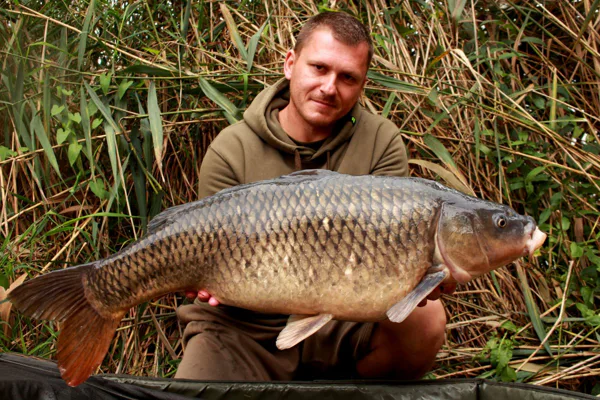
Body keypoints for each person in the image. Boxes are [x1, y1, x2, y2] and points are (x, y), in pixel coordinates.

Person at [175, 11, 452, 381]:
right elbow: (207, 252)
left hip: (346, 319)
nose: (329, 87)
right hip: (242, 326)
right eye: (319, 68)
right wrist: (203, 278)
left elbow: (392, 253)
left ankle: (349, 389)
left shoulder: (381, 142)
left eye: (348, 77)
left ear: (362, 84)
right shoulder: (231, 149)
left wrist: (423, 274)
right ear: (291, 64)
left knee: (426, 319)